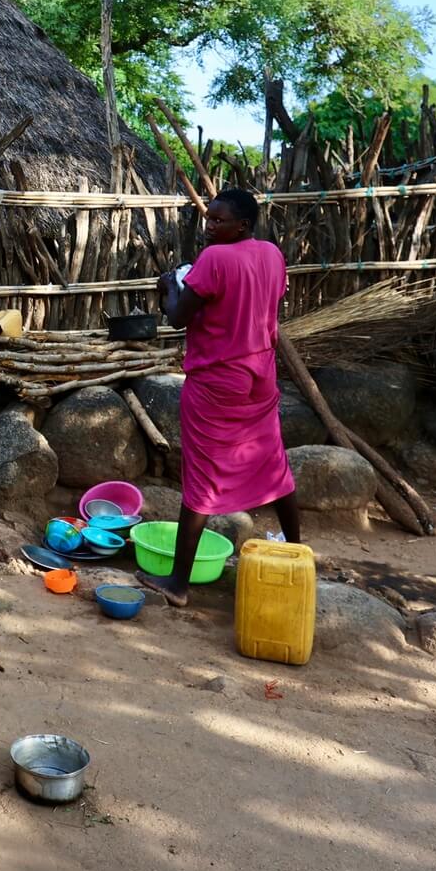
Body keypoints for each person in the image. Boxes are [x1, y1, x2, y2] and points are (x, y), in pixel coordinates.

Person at [139, 187, 299, 607]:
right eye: (208, 218)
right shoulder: (271, 254)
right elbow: (253, 303)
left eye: (218, 220)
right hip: (260, 375)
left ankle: (177, 583)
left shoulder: (213, 259)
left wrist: (169, 285)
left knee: (203, 477)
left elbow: (178, 317)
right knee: (273, 461)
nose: (209, 226)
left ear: (242, 224)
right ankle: (299, 552)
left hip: (217, 380)